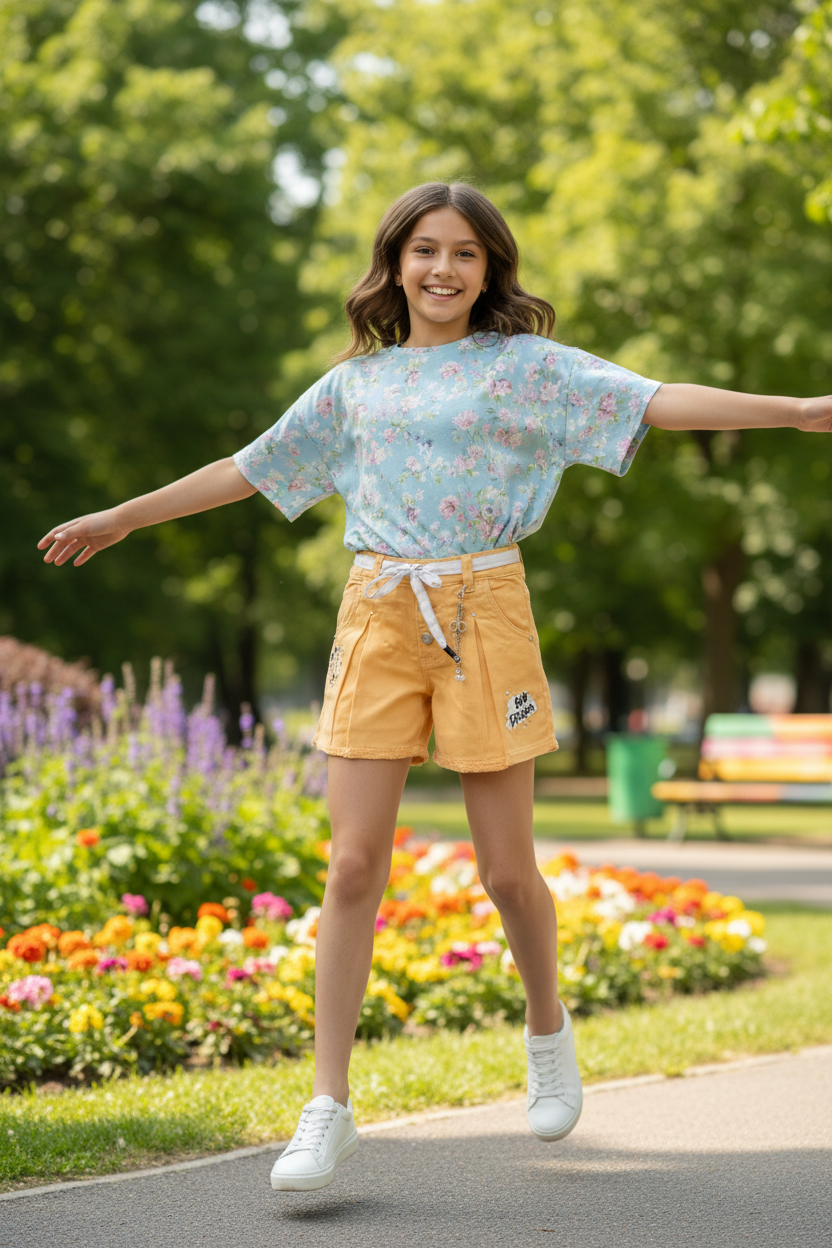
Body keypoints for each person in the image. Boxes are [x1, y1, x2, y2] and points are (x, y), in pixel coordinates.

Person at [38, 181, 832, 1193]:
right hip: (374, 617)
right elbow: (249, 467)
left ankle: (547, 1032)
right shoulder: (353, 388)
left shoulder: (523, 368)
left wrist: (800, 410)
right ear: (395, 263)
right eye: (425, 249)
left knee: (507, 872)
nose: (443, 268)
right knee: (353, 867)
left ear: (490, 269)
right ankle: (326, 1108)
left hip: (484, 613)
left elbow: (647, 400)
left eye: (465, 252)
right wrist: (122, 516)